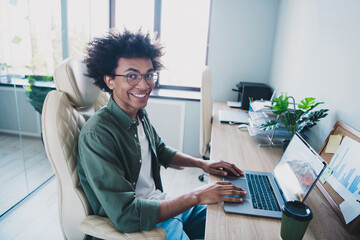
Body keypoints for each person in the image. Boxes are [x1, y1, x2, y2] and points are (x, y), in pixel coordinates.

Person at [77, 29, 247, 240]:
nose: (144, 84)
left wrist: (203, 164)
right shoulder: (98, 135)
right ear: (110, 81)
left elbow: (160, 150)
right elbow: (126, 215)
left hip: (160, 204)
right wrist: (196, 195)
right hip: (141, 222)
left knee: (226, 221)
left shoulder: (138, 114)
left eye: (149, 75)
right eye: (132, 76)